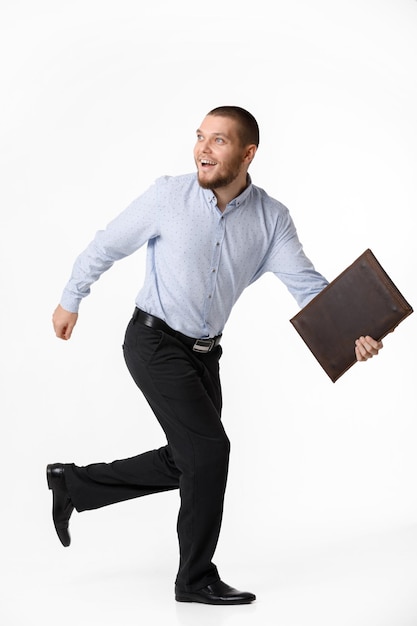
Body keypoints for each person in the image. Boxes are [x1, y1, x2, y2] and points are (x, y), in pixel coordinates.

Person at [48, 105, 383, 606]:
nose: (203, 148)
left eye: (219, 140)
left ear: (248, 154)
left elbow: (308, 288)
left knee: (190, 461)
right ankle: (195, 578)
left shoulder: (272, 219)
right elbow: (107, 245)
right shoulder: (169, 196)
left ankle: (73, 484)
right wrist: (71, 297)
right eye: (200, 137)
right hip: (153, 341)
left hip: (205, 355)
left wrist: (353, 333)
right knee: (209, 454)